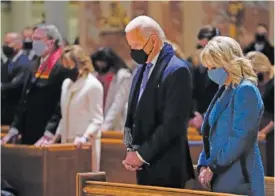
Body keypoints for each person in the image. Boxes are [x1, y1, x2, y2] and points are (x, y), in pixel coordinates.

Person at [122, 15, 194, 188]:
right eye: (131, 47)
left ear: (153, 40)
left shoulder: (177, 70)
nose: (133, 51)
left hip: (167, 167)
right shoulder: (142, 69)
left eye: (137, 46)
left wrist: (141, 156)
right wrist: (131, 149)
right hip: (144, 167)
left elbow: (173, 124)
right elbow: (135, 112)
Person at [197, 36, 265, 195]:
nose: (209, 72)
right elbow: (210, 133)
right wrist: (204, 164)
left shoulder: (245, 90)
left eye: (213, 67)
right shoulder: (226, 88)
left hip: (239, 176)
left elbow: (240, 138)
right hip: (221, 174)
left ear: (227, 63)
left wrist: (213, 167)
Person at [1, 25, 70, 145]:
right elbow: (24, 99)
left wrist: (50, 132)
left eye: (38, 39)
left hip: (48, 134)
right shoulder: (33, 65)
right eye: (34, 39)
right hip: (29, 130)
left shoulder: (61, 66)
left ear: (51, 42)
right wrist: (15, 128)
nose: (34, 43)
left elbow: (61, 103)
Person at [47, 45, 103, 172]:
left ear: (81, 65)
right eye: (64, 65)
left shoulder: (93, 85)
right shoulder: (66, 84)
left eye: (69, 65)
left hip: (84, 144)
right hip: (66, 143)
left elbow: (97, 119)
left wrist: (84, 137)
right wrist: (56, 137)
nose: (66, 69)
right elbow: (64, 115)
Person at [246, 51, 274, 177]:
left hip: (271, 132)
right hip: (259, 130)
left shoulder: (273, 85)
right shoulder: (255, 84)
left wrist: (264, 132)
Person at [188, 25, 220, 131]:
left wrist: (206, 115)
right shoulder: (193, 62)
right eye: (202, 47)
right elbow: (191, 91)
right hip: (198, 118)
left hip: (218, 116)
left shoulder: (225, 65)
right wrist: (194, 114)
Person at [91, 47, 131, 131]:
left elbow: (117, 105)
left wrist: (105, 127)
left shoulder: (123, 76)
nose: (100, 67)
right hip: (99, 123)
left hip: (117, 124)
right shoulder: (96, 75)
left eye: (102, 64)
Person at [1, 32, 31, 125]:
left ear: (19, 45)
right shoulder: (8, 62)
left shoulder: (24, 62)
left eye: (8, 43)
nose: (5, 46)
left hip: (15, 109)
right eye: (4, 43)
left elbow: (17, 85)